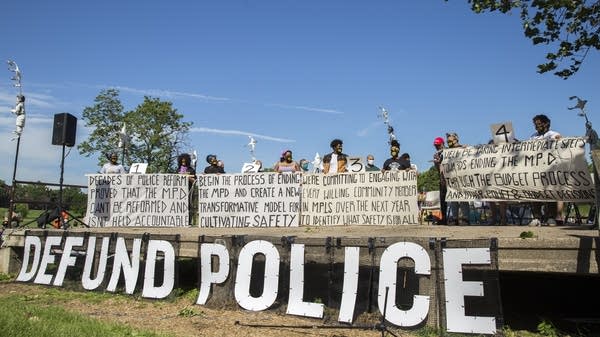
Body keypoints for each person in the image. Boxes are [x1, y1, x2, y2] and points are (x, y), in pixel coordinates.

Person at [529, 114, 562, 226]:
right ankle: (537, 217)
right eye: (535, 124)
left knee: (550, 192)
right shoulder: (533, 137)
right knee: (536, 194)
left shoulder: (553, 134)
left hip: (550, 169)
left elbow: (560, 140)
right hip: (536, 169)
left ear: (546, 123)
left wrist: (558, 140)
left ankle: (551, 217)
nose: (536, 127)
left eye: (538, 124)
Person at [446, 132, 471, 225]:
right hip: (451, 179)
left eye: (450, 140)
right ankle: (455, 218)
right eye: (447, 141)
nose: (448, 142)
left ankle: (466, 218)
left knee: (463, 198)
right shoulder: (446, 151)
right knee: (453, 199)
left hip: (462, 178)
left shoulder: (462, 149)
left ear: (456, 140)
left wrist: (466, 148)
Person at [433, 137, 448, 225]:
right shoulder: (437, 154)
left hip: (451, 178)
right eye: (436, 145)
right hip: (442, 178)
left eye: (438, 145)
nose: (437, 147)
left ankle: (456, 218)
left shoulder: (448, 152)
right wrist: (436, 162)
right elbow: (437, 169)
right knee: (442, 200)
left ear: (442, 144)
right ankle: (444, 218)